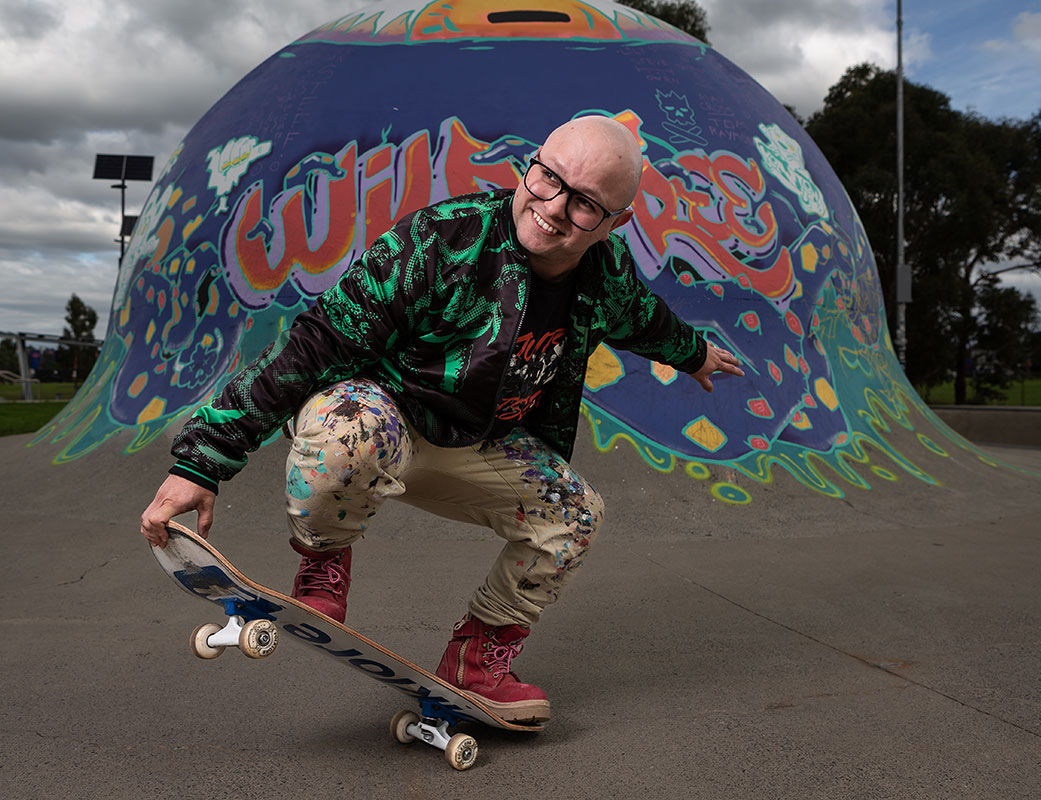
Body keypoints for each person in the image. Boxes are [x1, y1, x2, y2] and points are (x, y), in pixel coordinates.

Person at [141, 115, 745, 724]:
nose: (553, 208)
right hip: (387, 425)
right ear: (532, 164)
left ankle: (477, 662)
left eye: (585, 203)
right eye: (547, 178)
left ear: (617, 222)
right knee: (347, 428)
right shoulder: (442, 242)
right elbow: (316, 343)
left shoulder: (603, 276)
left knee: (575, 513)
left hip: (483, 445)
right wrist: (203, 461)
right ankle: (325, 557)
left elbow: (644, 318)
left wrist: (693, 354)